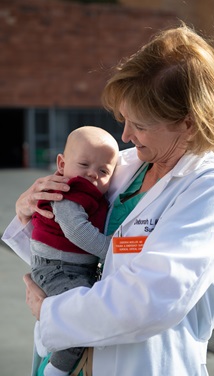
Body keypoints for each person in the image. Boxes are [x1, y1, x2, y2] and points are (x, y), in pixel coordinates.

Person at [2, 23, 214, 376]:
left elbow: (149, 301)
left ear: (189, 123)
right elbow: (80, 251)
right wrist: (32, 210)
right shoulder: (127, 164)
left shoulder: (207, 190)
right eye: (124, 119)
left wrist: (52, 312)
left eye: (140, 124)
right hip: (69, 351)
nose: (125, 135)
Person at [30, 125, 119, 376]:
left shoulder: (92, 195)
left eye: (103, 171)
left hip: (73, 268)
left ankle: (47, 332)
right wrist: (108, 248)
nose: (92, 174)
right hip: (56, 268)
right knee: (80, 321)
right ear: (62, 163)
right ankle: (56, 371)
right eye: (84, 164)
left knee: (78, 313)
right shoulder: (68, 192)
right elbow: (76, 231)